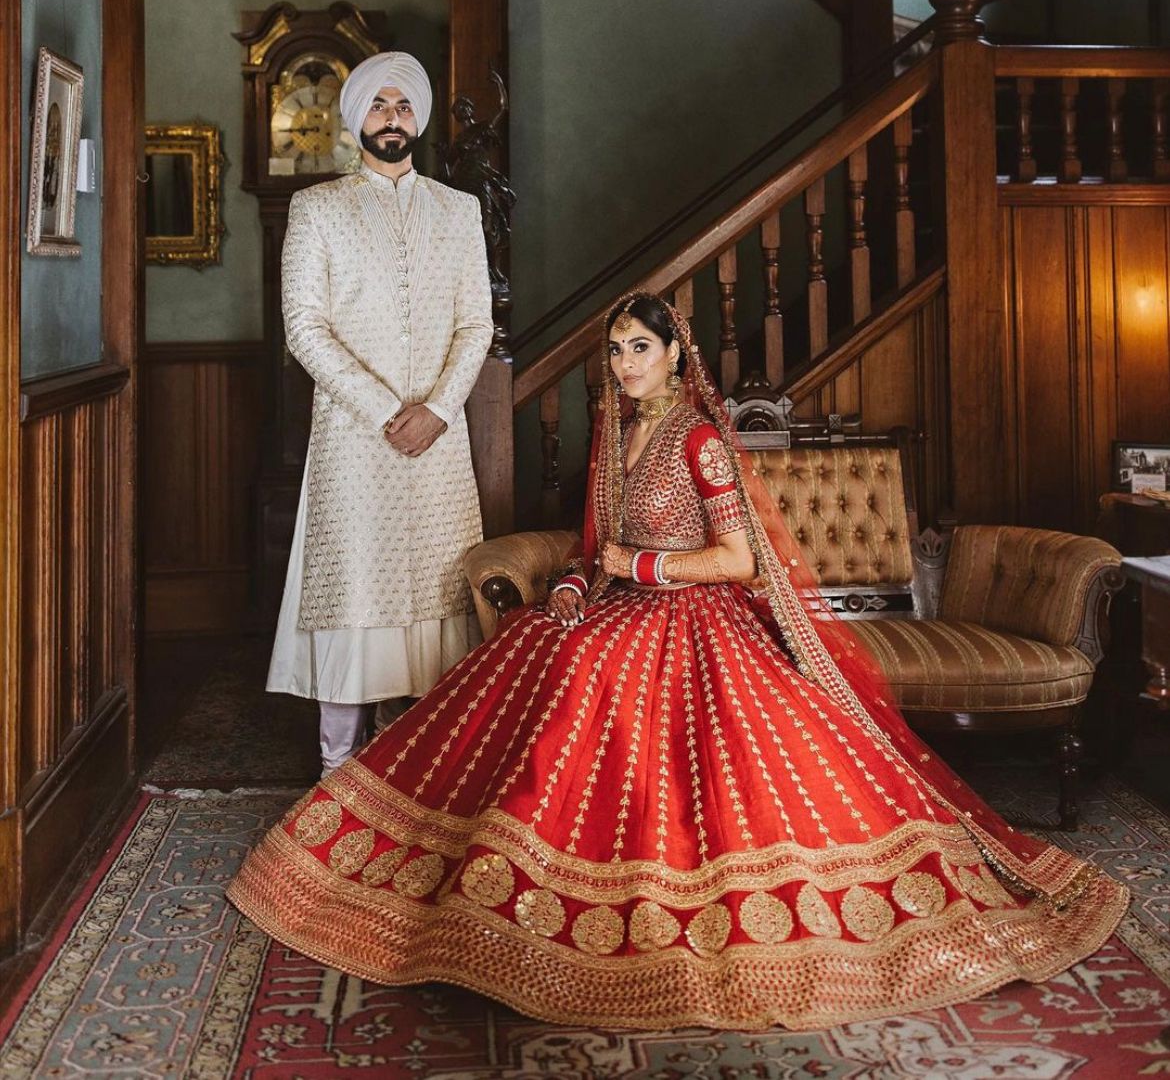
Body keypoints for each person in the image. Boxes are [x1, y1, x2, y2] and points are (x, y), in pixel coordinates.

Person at [231, 291, 1126, 1031]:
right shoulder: (614, 434)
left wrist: (643, 569)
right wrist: (577, 585)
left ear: (673, 354)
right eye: (616, 350)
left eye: (641, 348)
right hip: (623, 602)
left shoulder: (699, 439)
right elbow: (597, 548)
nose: (626, 364)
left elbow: (737, 560)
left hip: (696, 617)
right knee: (531, 644)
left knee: (592, 671)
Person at [266, 50, 493, 776]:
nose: (391, 119)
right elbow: (304, 328)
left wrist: (439, 410)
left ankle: (419, 775)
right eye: (377, 105)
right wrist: (389, 411)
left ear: (417, 120)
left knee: (437, 595)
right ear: (355, 118)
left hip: (439, 443)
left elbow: (477, 324)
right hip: (355, 441)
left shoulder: (457, 211)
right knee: (354, 595)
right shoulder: (318, 208)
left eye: (403, 107)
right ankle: (337, 777)